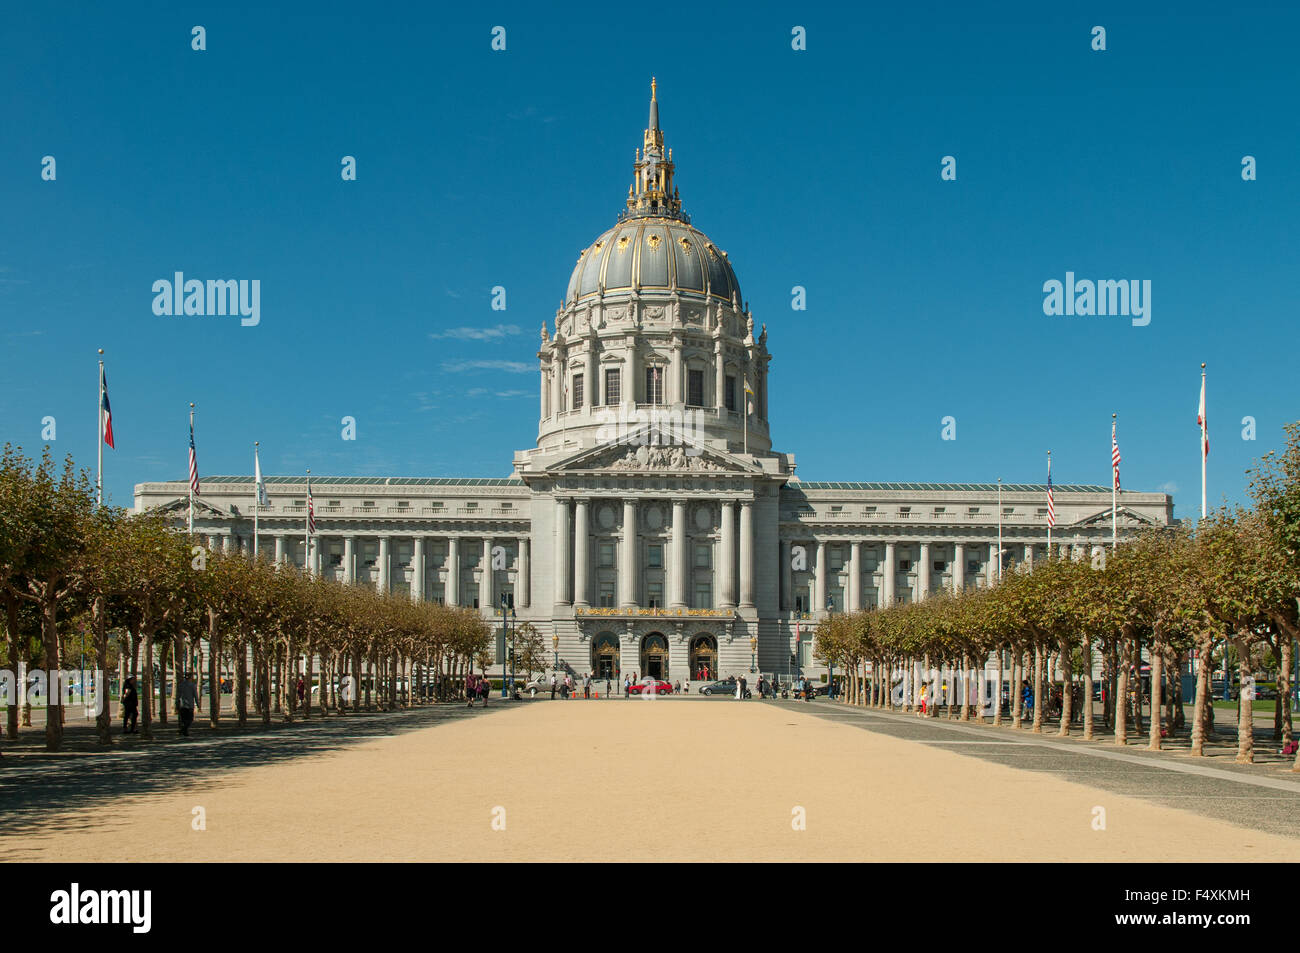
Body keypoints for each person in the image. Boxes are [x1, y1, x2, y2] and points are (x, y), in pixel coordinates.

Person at [176, 672, 199, 737]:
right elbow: (195, 695)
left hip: (182, 705)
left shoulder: (180, 685)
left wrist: (176, 703)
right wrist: (198, 704)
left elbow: (178, 695)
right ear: (191, 677)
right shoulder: (192, 685)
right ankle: (184, 730)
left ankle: (184, 731)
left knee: (184, 719)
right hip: (189, 705)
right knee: (190, 719)